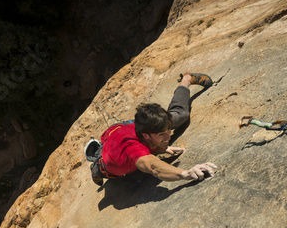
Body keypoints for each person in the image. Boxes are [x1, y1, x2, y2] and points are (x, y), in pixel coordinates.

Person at [89, 73, 217, 185]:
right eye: (162, 134)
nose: (169, 136)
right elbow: (153, 167)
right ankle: (95, 163)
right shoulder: (134, 149)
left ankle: (186, 79)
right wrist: (185, 173)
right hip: (108, 153)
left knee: (180, 115)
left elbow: (163, 128)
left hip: (123, 128)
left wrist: (161, 146)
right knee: (101, 170)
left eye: (168, 131)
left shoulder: (151, 129)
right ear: (146, 136)